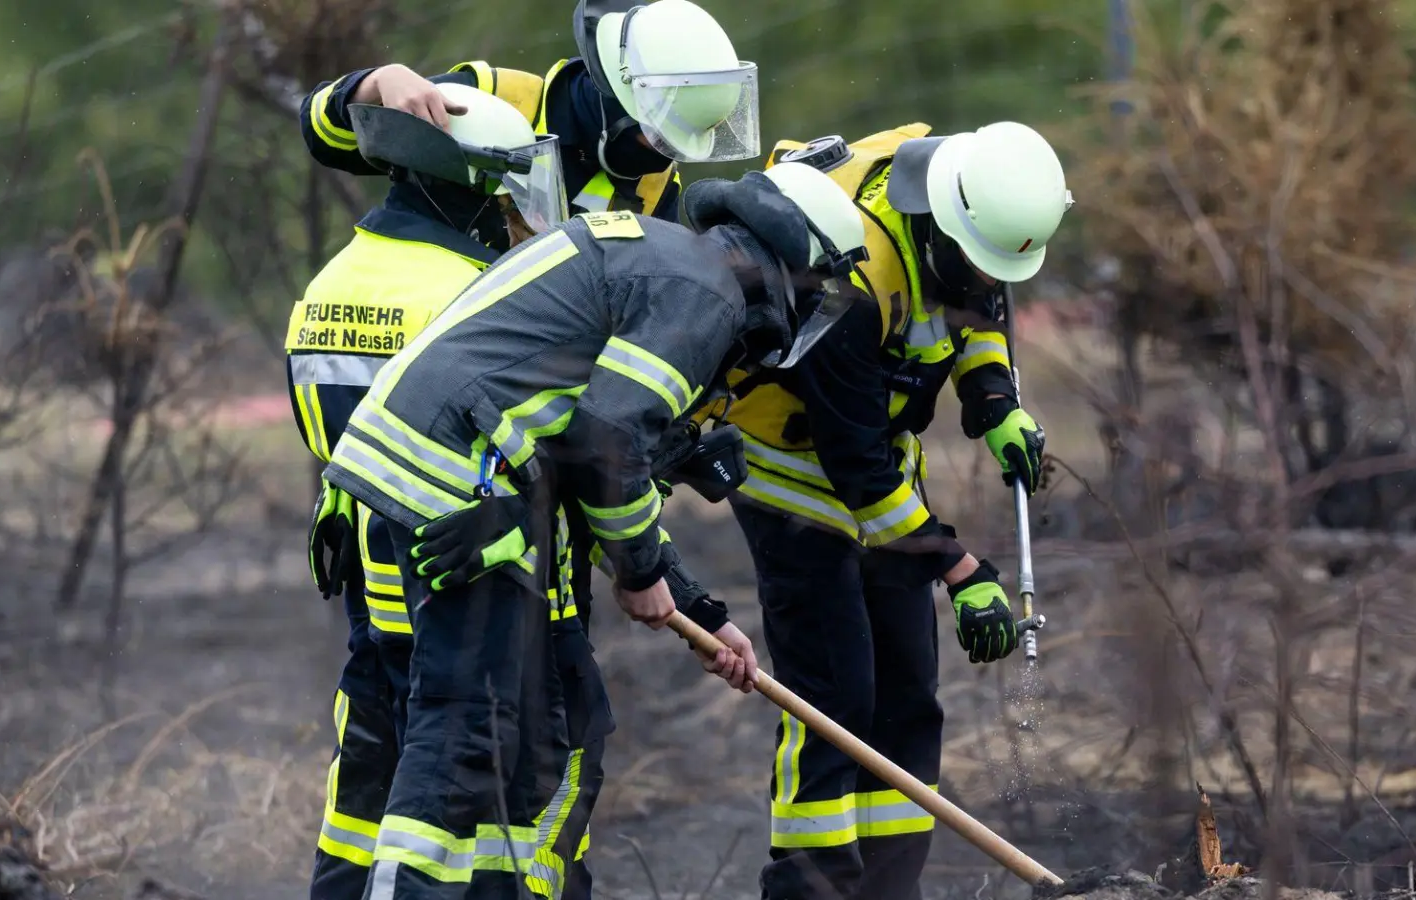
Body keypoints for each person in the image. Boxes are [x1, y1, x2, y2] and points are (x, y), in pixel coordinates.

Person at [319, 161, 871, 900]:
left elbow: (585, 461)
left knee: (484, 724)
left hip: (421, 470)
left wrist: (696, 608)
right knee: (467, 725)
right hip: (464, 484)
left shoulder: (657, 254)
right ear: (789, 269)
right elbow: (606, 443)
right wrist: (640, 575)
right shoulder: (703, 296)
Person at [695, 121, 1074, 899]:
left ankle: (886, 889)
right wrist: (959, 568)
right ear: (942, 229)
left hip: (874, 453)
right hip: (791, 468)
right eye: (973, 261)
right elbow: (859, 474)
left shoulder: (965, 214)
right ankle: (812, 886)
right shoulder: (851, 283)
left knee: (906, 696)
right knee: (832, 695)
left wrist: (994, 398)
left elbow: (977, 310)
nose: (983, 278)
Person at [290, 84, 566, 900]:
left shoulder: (327, 288)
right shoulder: (480, 299)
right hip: (463, 585)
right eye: (509, 188)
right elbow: (532, 456)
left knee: (363, 794)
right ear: (473, 189)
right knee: (460, 809)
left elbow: (343, 443)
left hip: (371, 597)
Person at [300, 0, 759, 227]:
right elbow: (325, 139)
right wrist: (375, 83)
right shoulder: (489, 98)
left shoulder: (657, 187)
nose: (661, 158)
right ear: (613, 101)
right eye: (657, 137)